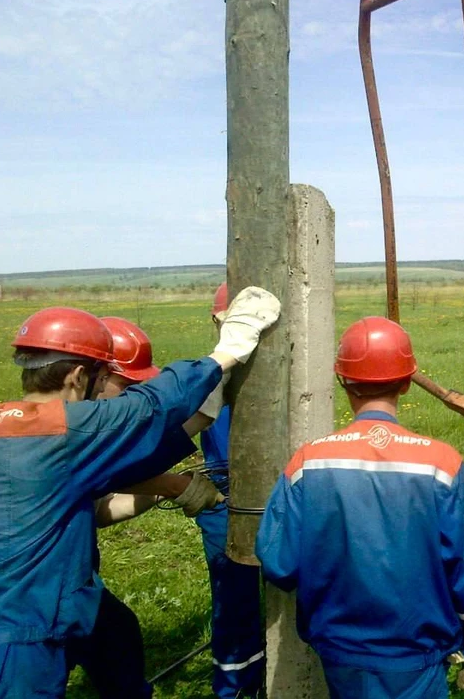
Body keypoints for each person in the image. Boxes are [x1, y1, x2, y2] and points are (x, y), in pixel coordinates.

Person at [0, 286, 280, 698]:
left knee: (115, 633)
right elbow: (153, 405)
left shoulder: (13, 430)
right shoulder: (70, 430)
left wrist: (169, 486)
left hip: (62, 591)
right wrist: (230, 347)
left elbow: (99, 505)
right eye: (107, 379)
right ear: (77, 377)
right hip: (16, 623)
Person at [256, 316, 464, 698]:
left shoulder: (306, 463)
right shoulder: (441, 464)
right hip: (417, 658)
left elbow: (279, 563)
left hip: (339, 655)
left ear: (343, 381)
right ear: (406, 382)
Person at [66, 315, 224, 699]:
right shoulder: (61, 436)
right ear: (90, 378)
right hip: (30, 597)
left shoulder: (81, 426)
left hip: (75, 581)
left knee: (117, 637)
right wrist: (171, 484)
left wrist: (161, 491)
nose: (131, 399)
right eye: (127, 386)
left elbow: (101, 507)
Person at [195, 283, 265, 698]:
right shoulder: (209, 378)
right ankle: (237, 686)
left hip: (265, 501)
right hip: (225, 502)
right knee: (235, 600)